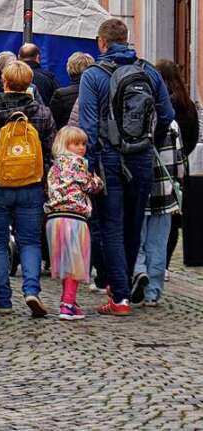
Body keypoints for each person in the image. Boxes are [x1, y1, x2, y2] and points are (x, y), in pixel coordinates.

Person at [78, 19, 174, 315]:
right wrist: (149, 143)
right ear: (126, 39)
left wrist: (89, 167)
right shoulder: (148, 71)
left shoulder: (92, 75)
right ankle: (125, 288)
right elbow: (167, 114)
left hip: (108, 158)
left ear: (101, 43)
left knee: (111, 227)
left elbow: (89, 127)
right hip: (142, 157)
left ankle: (119, 295)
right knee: (133, 225)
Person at [0, 60, 56, 316]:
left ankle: (3, 299)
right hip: (32, 184)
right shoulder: (42, 113)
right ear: (29, 84)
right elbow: (50, 150)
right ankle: (32, 290)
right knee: (30, 241)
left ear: (5, 81)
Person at [43, 125, 103, 321]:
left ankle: (69, 299)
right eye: (76, 143)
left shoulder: (54, 166)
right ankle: (67, 303)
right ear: (65, 144)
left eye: (83, 144)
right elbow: (90, 185)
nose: (81, 148)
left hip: (54, 218)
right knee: (76, 262)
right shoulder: (78, 163)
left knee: (64, 261)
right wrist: (97, 180)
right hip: (74, 218)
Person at [131, 116, 184, 307]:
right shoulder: (171, 123)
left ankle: (138, 271)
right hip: (164, 193)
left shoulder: (133, 119)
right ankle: (152, 293)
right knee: (158, 244)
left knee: (136, 238)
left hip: (138, 189)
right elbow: (180, 163)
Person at [155, 59, 198, 271]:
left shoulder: (164, 105)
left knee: (160, 215)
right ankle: (164, 265)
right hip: (181, 167)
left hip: (162, 164)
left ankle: (157, 263)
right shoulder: (189, 104)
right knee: (173, 216)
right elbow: (192, 137)